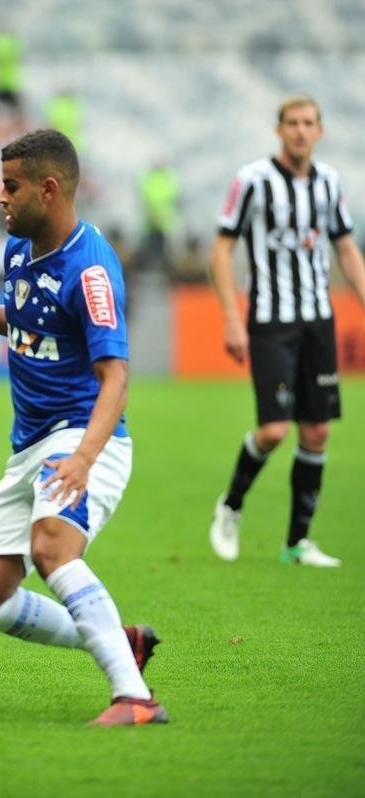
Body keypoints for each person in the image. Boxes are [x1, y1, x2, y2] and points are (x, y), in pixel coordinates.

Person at [0, 129, 167, 726]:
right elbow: (28, 322)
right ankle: (119, 640)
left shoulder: (90, 269)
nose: (0, 197)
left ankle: (135, 699)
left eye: (11, 186)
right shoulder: (19, 250)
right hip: (30, 446)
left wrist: (84, 457)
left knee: (54, 547)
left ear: (49, 189)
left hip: (83, 437)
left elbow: (116, 378)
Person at [208, 95, 365, 567]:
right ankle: (231, 505)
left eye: (309, 123)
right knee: (275, 429)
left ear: (320, 130)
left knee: (316, 431)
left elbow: (346, 249)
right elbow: (220, 251)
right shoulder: (252, 181)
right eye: (292, 123)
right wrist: (232, 318)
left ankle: (297, 543)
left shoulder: (330, 182)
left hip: (317, 319)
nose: (300, 131)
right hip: (270, 321)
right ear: (278, 129)